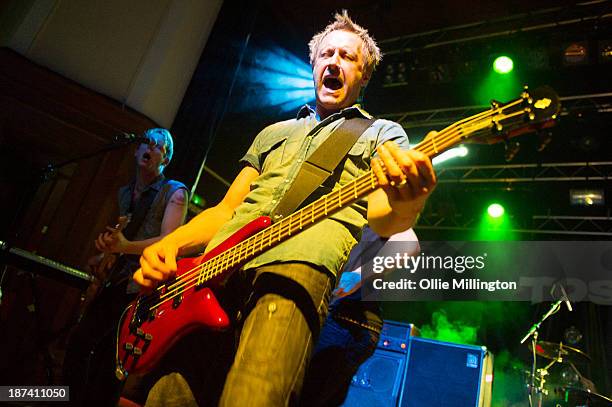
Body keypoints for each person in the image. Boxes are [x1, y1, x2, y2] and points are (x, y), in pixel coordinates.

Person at [135, 11, 436, 406]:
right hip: (213, 271)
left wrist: (409, 199)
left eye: (348, 57)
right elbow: (228, 209)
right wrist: (170, 245)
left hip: (299, 263)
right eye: (327, 53)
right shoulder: (272, 133)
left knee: (252, 395)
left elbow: (386, 218)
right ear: (314, 65)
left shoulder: (382, 133)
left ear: (364, 77)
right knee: (167, 398)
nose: (334, 61)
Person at [62, 128, 188, 407]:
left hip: (141, 288)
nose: (148, 148)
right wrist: (106, 253)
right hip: (117, 282)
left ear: (164, 158)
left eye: (156, 146)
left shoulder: (174, 192)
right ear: (135, 150)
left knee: (110, 359)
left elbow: (170, 242)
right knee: (83, 345)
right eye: (145, 142)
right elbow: (124, 238)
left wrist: (123, 246)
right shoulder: (125, 192)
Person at [300, 226, 420, 406]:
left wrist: (359, 276)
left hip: (344, 316)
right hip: (343, 317)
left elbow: (409, 242)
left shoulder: (373, 205)